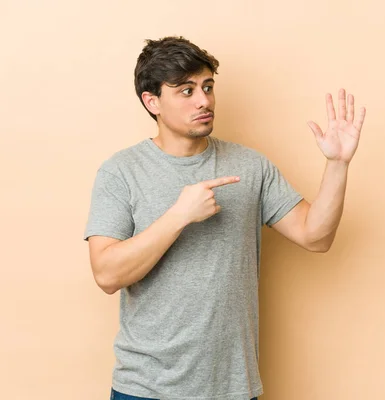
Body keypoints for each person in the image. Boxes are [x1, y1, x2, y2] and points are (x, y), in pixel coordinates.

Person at [83, 36, 366, 400]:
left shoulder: (249, 165)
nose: (204, 100)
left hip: (232, 388)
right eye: (186, 91)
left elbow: (316, 236)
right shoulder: (121, 172)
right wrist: (179, 216)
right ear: (151, 102)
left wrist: (338, 164)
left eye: (208, 87)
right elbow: (107, 274)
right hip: (146, 389)